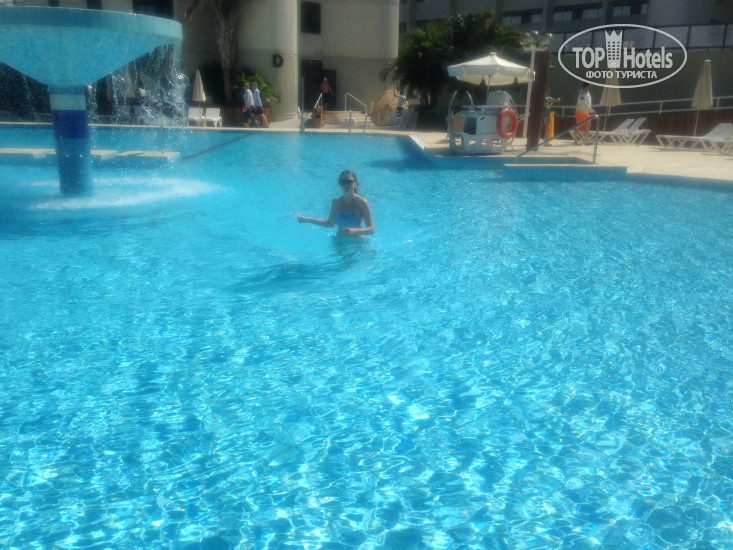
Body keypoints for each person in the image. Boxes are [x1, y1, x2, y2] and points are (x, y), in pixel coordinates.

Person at [297, 170, 374, 237]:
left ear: (355, 184)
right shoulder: (336, 202)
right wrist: (308, 220)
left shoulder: (362, 203)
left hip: (357, 243)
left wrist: (354, 231)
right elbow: (330, 224)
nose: (346, 185)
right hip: (339, 243)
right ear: (339, 184)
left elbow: (371, 230)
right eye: (343, 182)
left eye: (349, 181)